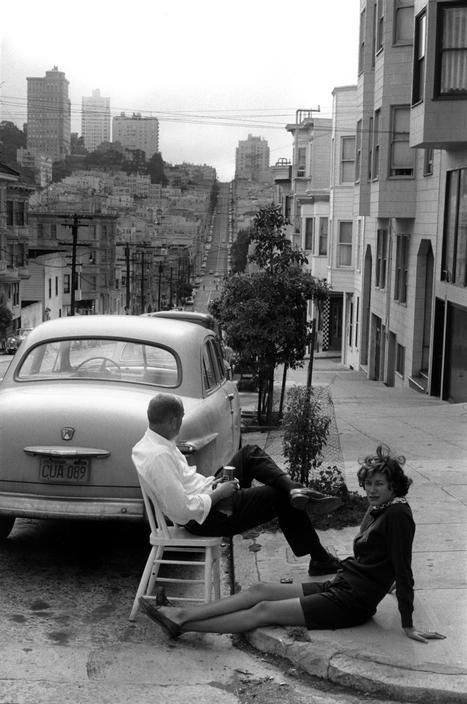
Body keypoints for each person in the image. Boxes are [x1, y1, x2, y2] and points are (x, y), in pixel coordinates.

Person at [138, 443, 446, 645]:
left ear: (394, 485)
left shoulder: (398, 515)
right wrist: (386, 581)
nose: (371, 490)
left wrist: (408, 623)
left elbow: (403, 569)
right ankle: (180, 615)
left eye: (380, 484)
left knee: (264, 610)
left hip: (351, 604)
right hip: (342, 584)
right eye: (368, 484)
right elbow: (382, 560)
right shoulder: (380, 508)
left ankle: (182, 620)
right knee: (258, 591)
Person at [132, 393, 343, 578]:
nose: (181, 424)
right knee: (278, 497)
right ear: (172, 420)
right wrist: (219, 494)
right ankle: (319, 556)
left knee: (249, 453)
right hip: (204, 519)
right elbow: (182, 511)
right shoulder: (159, 456)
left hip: (205, 498)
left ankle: (293, 488)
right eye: (181, 418)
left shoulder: (154, 442)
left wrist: (211, 484)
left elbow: (186, 484)